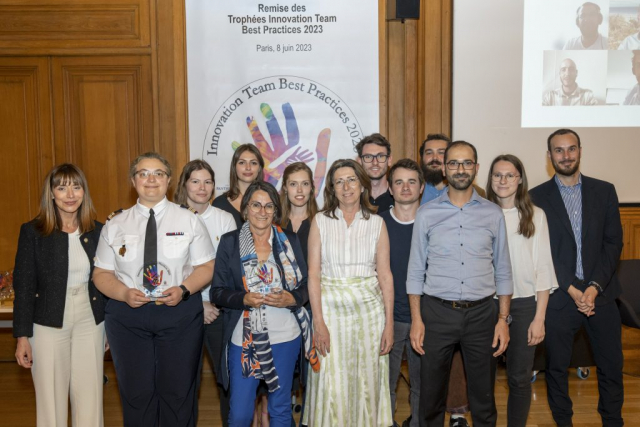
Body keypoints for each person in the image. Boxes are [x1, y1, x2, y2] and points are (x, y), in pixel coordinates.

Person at [93, 152, 215, 427]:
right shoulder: (115, 224)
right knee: (136, 394)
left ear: (169, 181)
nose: (151, 179)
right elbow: (101, 274)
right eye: (143, 173)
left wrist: (184, 289)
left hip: (179, 315)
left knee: (178, 392)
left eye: (158, 173)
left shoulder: (189, 220)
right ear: (133, 181)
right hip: (128, 318)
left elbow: (207, 266)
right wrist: (123, 293)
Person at [407, 141, 513, 427]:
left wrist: (503, 319)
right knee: (430, 399)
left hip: (482, 315)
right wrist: (417, 319)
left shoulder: (493, 214)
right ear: (444, 168)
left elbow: (503, 270)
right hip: (437, 313)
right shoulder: (427, 213)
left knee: (483, 400)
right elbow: (415, 271)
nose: (460, 169)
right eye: (453, 163)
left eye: (467, 163)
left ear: (476, 169)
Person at [530, 129, 624, 427]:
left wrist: (594, 288)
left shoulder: (604, 190)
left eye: (571, 149)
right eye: (559, 150)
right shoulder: (535, 197)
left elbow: (613, 243)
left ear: (580, 151)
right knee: (556, 369)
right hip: (560, 296)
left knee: (611, 367)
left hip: (603, 296)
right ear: (549, 156)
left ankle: (613, 421)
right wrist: (571, 288)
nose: (566, 155)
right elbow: (542, 250)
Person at [211, 181, 312, 427]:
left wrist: (293, 298)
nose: (262, 211)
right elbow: (217, 292)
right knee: (241, 414)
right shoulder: (229, 242)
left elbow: (306, 285)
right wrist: (243, 298)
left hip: (285, 336)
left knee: (280, 410)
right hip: (243, 339)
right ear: (245, 209)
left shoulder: (289, 240)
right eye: (256, 205)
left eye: (269, 206)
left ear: (276, 211)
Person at [13, 163, 106, 427]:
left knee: (90, 395)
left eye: (76, 187)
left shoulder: (98, 231)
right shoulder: (33, 232)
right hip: (47, 321)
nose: (70, 194)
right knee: (50, 398)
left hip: (91, 318)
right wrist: (22, 336)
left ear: (84, 192)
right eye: (62, 188)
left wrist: (107, 326)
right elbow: (25, 286)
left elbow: (106, 280)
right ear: (51, 193)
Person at [303, 159, 394, 427]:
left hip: (370, 313)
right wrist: (318, 322)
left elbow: (386, 276)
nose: (346, 187)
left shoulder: (377, 223)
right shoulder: (320, 221)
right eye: (339, 181)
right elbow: (313, 275)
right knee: (331, 381)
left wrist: (389, 325)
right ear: (332, 188)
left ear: (362, 185)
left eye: (351, 180)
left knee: (367, 380)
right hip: (329, 313)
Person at [486, 154, 559, 427]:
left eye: (509, 175)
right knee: (484, 378)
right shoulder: (481, 211)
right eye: (497, 175)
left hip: (525, 305)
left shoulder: (535, 215)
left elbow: (543, 268)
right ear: (490, 179)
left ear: (520, 180)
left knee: (519, 378)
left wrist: (539, 318)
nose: (503, 180)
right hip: (487, 306)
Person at [419, 133, 481, 427]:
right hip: (433, 296)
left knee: (462, 367)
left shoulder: (479, 197)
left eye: (440, 152)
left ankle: (458, 412)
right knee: (431, 375)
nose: (435, 158)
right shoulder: (418, 195)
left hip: (471, 297)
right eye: (429, 153)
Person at [174, 159, 237, 426]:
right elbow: (172, 270)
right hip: (183, 308)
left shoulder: (224, 219)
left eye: (208, 181)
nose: (202, 187)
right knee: (185, 382)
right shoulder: (172, 217)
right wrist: (198, 303)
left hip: (218, 311)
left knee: (228, 379)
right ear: (184, 184)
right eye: (195, 181)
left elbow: (230, 269)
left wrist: (212, 303)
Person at [380, 159, 424, 427]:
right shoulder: (377, 223)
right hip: (388, 319)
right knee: (385, 385)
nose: (405, 187)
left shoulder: (433, 221)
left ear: (421, 188)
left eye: (412, 182)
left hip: (426, 319)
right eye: (399, 182)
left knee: (423, 386)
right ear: (389, 187)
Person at [213, 144, 265, 228]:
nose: (248, 167)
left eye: (253, 163)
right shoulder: (219, 204)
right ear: (234, 167)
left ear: (259, 168)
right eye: (242, 162)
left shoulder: (271, 201)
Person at [279, 162, 318, 264]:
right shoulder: (274, 222)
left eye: (305, 184)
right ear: (285, 188)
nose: (299, 190)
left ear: (311, 187)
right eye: (293, 184)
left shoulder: (321, 222)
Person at [356, 133, 394, 213]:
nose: (375, 162)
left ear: (389, 160)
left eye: (380, 156)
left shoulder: (398, 196)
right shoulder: (352, 197)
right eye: (368, 157)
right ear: (359, 161)